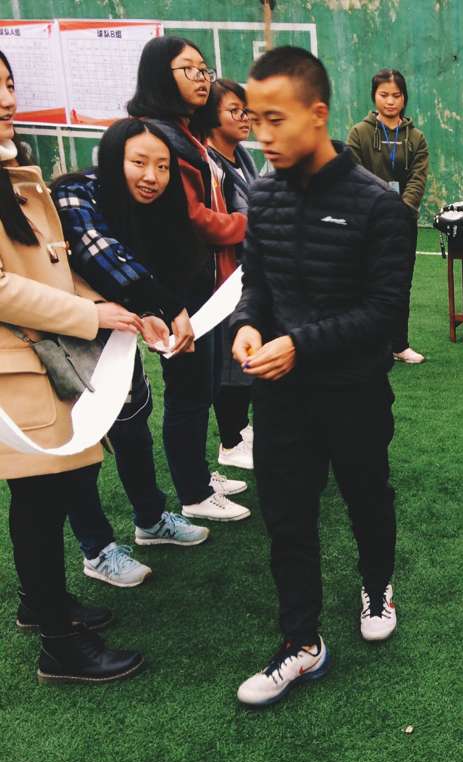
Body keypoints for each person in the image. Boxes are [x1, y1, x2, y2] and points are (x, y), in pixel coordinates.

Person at [231, 46, 412, 706]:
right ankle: (301, 643)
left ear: (318, 113)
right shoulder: (263, 194)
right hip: (280, 396)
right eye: (254, 120)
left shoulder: (377, 205)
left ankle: (376, 585)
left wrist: (299, 344)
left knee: (367, 497)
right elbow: (256, 284)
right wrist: (247, 324)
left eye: (275, 119)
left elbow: (385, 313)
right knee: (286, 518)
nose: (263, 134)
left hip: (353, 392)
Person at [0, 50, 144, 682]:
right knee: (38, 497)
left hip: (42, 358)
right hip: (18, 365)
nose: (7, 99)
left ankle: (42, 605)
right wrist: (90, 315)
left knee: (50, 491)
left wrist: (112, 310)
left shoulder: (17, 172)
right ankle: (59, 646)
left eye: (9, 83)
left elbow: (52, 269)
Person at [51, 117, 214, 589]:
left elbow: (158, 265)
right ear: (113, 157)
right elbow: (102, 255)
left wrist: (160, 311)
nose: (152, 176)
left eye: (162, 167)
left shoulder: (151, 209)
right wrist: (165, 307)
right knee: (81, 449)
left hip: (118, 339)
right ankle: (97, 550)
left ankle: (151, 520)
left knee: (133, 430)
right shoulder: (76, 192)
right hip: (66, 341)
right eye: (139, 162)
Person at [126, 35, 250, 522]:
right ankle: (194, 494)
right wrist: (246, 225)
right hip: (180, 288)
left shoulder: (183, 132)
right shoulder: (157, 136)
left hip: (204, 284)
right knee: (188, 391)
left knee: (199, 389)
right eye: (190, 70)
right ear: (162, 76)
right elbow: (191, 217)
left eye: (204, 70)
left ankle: (197, 476)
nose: (203, 79)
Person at [346, 68, 428, 365]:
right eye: (384, 95)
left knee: (400, 284)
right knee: (368, 283)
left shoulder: (416, 138)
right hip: (369, 222)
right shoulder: (359, 133)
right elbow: (354, 173)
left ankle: (399, 344)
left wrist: (402, 211)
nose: (390, 101)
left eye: (396, 95)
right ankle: (369, 345)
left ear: (404, 98)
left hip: (403, 222)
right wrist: (378, 209)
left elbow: (418, 178)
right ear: (374, 96)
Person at [206, 79, 257, 471]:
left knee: (247, 353)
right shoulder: (208, 163)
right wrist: (256, 223)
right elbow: (215, 224)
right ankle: (230, 439)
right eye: (234, 111)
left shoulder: (242, 156)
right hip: (223, 279)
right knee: (229, 361)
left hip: (250, 272)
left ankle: (241, 428)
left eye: (246, 110)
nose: (245, 118)